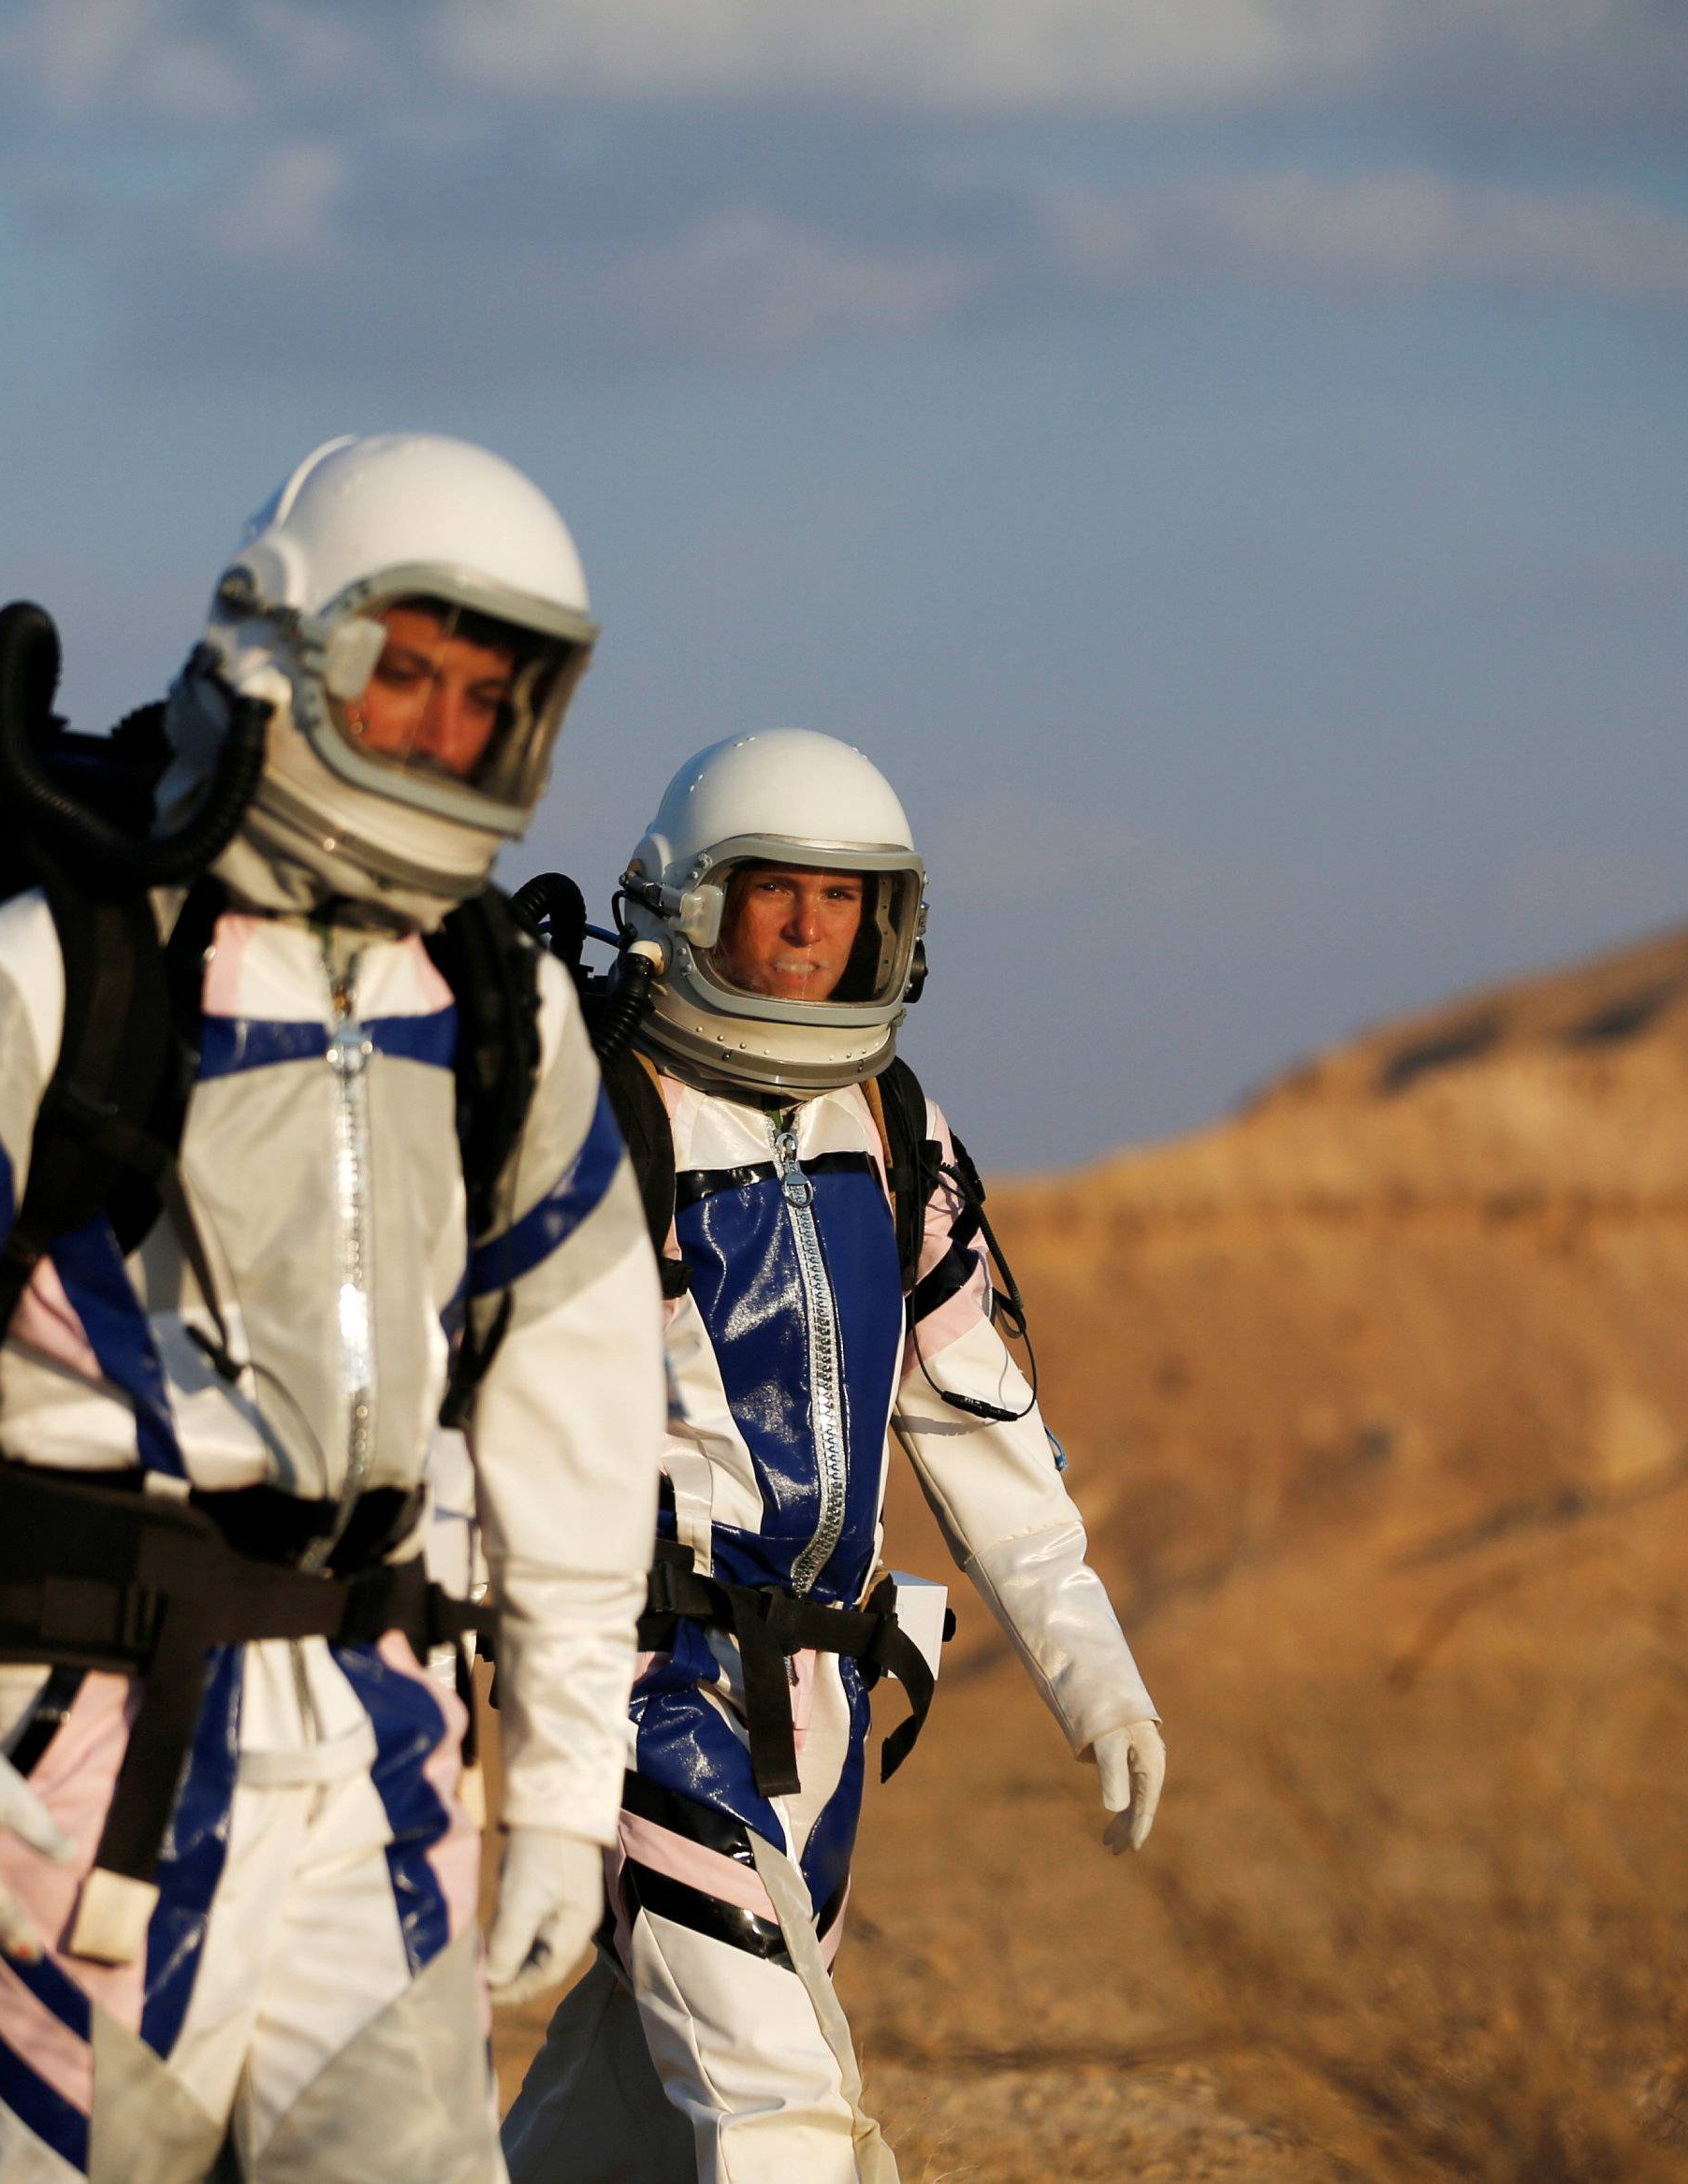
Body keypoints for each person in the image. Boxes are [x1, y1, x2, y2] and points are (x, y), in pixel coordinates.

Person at [0, 433, 663, 2183]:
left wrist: (557, 1789)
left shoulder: (501, 1015)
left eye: (487, 697)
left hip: (378, 1774)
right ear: (276, 639)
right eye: (402, 671)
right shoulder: (41, 972)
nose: (440, 730)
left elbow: (581, 1403)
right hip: (60, 1764)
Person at [501, 728, 1163, 2184]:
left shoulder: (899, 1125)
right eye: (776, 890)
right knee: (784, 2110)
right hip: (644, 1687)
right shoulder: (606, 1116)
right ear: (688, 902)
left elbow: (980, 1434)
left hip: (825, 1710)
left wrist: (1097, 1674)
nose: (811, 928)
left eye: (845, 896)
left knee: (616, 2122)